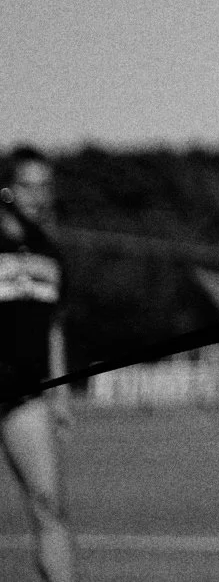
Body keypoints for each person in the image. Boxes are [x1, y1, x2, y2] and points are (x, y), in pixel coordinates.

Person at [1, 147, 76, 582]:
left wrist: (60, 394)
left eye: (46, 185)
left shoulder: (52, 253)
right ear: (7, 189)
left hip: (26, 396)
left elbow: (54, 329)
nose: (39, 195)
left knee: (49, 505)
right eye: (29, 184)